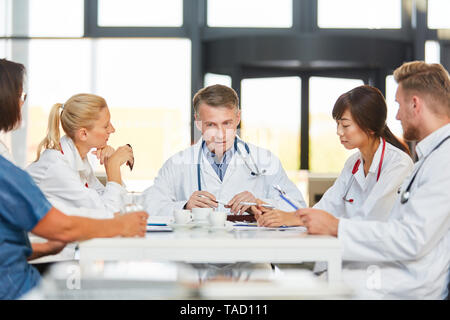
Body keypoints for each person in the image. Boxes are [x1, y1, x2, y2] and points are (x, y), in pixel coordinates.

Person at [268, 61, 449, 299]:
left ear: (415, 104)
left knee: (306, 288)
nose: (395, 115)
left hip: (406, 281)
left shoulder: (440, 161)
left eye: (399, 105)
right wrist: (301, 219)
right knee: (291, 281)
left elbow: (409, 238)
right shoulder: (431, 157)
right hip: (389, 268)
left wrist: (334, 226)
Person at [0, 58, 148, 300]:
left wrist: (43, 247)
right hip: (24, 284)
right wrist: (113, 173)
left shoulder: (73, 160)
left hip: (40, 266)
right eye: (20, 95)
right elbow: (68, 225)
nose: (112, 130)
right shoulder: (41, 167)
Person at [257, 85, 413, 230]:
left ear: (370, 127)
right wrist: (285, 216)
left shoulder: (398, 164)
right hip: (345, 251)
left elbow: (370, 217)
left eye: (345, 125)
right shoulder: (353, 163)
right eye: (337, 124)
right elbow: (326, 206)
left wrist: (295, 219)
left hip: (377, 256)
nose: (339, 132)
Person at [140, 84, 306, 216]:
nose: (220, 134)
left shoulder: (265, 160)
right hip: (197, 256)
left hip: (250, 256)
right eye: (211, 124)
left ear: (238, 118)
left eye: (227, 123)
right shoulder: (176, 164)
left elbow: (298, 207)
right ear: (198, 122)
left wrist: (260, 203)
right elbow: (149, 205)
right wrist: (185, 206)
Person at [27, 93, 134, 219]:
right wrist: (113, 166)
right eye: (106, 126)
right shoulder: (58, 167)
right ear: (83, 134)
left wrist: (109, 165)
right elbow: (109, 215)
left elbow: (118, 206)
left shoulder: (78, 157)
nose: (112, 129)